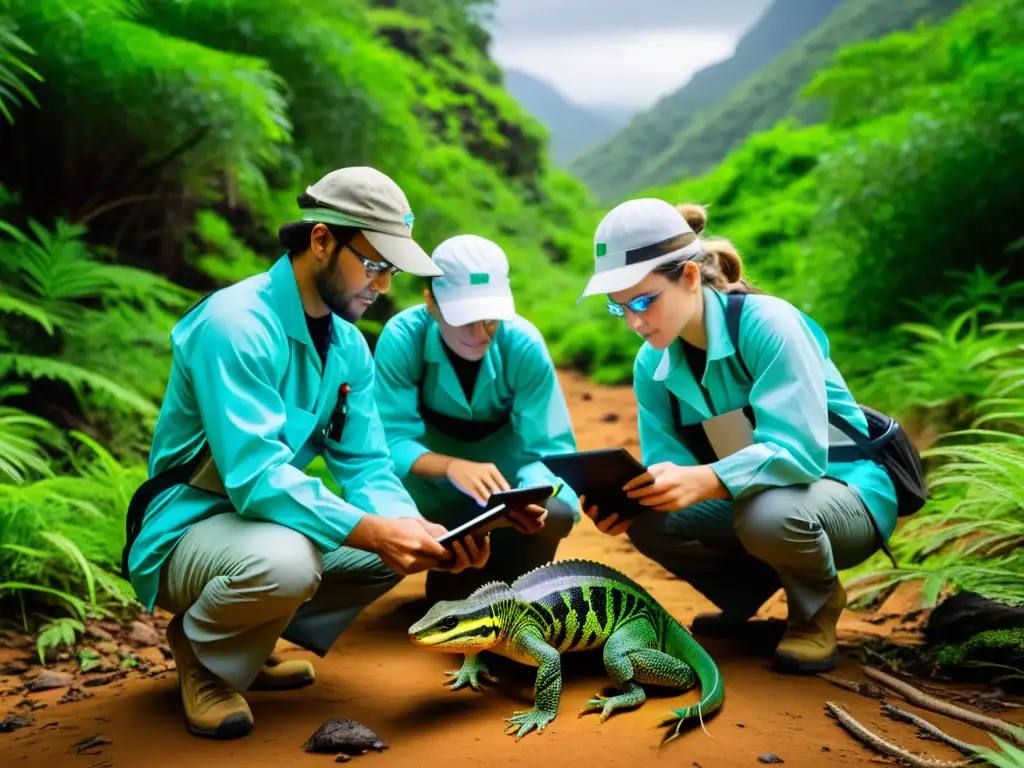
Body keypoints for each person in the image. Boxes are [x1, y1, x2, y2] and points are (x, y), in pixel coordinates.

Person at [120, 168, 539, 741]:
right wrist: (374, 529)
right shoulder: (236, 325)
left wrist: (418, 531)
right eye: (373, 265)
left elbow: (366, 464)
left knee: (395, 548)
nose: (383, 286)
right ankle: (204, 656)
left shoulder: (346, 345)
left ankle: (249, 641)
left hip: (258, 524)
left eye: (391, 270)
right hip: (188, 526)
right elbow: (256, 477)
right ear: (321, 240)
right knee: (292, 559)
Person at [575, 198, 898, 674]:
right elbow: (673, 470)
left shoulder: (769, 324)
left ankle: (815, 612)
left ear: (688, 277)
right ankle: (750, 598)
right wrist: (636, 498)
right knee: (653, 517)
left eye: (644, 301)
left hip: (846, 491)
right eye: (618, 307)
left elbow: (803, 456)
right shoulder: (652, 364)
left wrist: (705, 480)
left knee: (768, 512)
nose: (634, 322)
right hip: (755, 497)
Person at [373, 233, 580, 601]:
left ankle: (518, 595)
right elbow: (385, 441)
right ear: (431, 304)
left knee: (558, 510)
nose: (479, 333)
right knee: (378, 520)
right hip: (427, 498)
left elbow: (550, 450)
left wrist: (527, 493)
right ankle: (450, 576)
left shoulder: (523, 345)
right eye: (464, 318)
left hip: (502, 500)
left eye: (491, 318)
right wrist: (452, 466)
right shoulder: (404, 338)